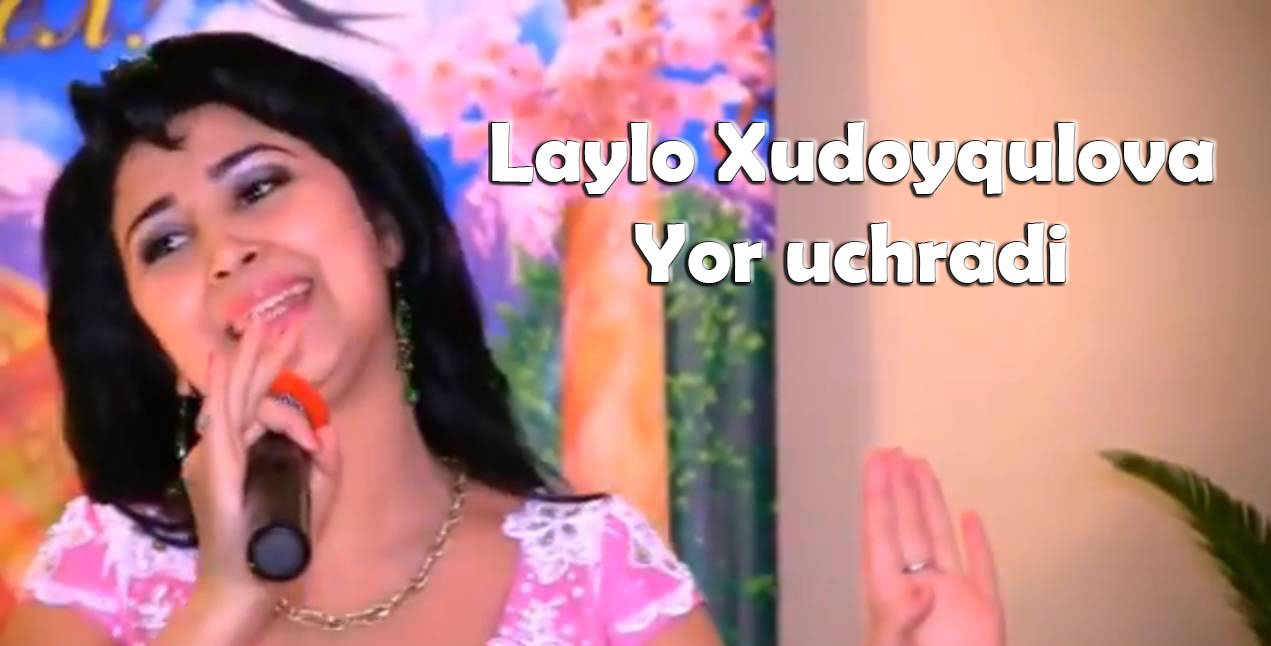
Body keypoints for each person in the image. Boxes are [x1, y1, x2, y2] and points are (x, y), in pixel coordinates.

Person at [0, 32, 1004, 646]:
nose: (226, 251)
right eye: (166, 242)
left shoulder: (597, 573)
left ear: (382, 229)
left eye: (259, 186)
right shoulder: (102, 570)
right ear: (147, 332)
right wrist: (224, 601)